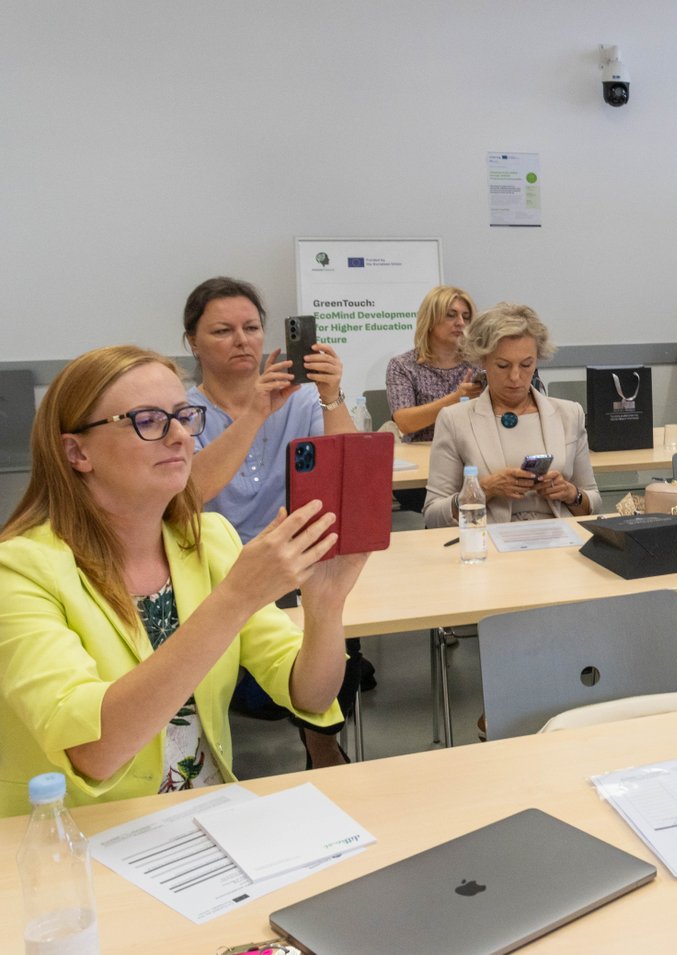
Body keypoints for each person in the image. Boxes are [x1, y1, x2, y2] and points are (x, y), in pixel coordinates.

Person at [0, 346, 367, 816]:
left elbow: (308, 694)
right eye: (148, 420)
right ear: (77, 452)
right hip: (77, 834)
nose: (180, 437)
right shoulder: (19, 570)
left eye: (183, 417)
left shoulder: (208, 539)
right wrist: (236, 597)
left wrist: (325, 605)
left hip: (203, 818)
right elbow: (93, 751)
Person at [182, 276, 359, 768]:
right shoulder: (184, 413)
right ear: (193, 341)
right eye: (222, 331)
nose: (241, 340)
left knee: (337, 626)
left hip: (296, 560)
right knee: (258, 681)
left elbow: (347, 470)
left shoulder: (299, 400)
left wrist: (330, 395)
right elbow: (191, 491)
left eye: (251, 328)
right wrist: (256, 413)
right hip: (216, 569)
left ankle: (320, 740)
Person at [423, 303, 599, 527]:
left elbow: (593, 503)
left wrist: (571, 494)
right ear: (483, 360)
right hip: (490, 538)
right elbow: (433, 516)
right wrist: (483, 490)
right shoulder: (455, 420)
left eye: (526, 365)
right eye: (503, 366)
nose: (515, 377)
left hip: (560, 538)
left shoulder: (569, 414)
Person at [387, 285, 482, 443]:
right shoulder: (403, 365)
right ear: (430, 320)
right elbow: (404, 423)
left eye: (466, 317)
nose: (460, 322)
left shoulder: (479, 363)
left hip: (470, 448)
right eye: (451, 315)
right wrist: (456, 398)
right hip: (421, 450)